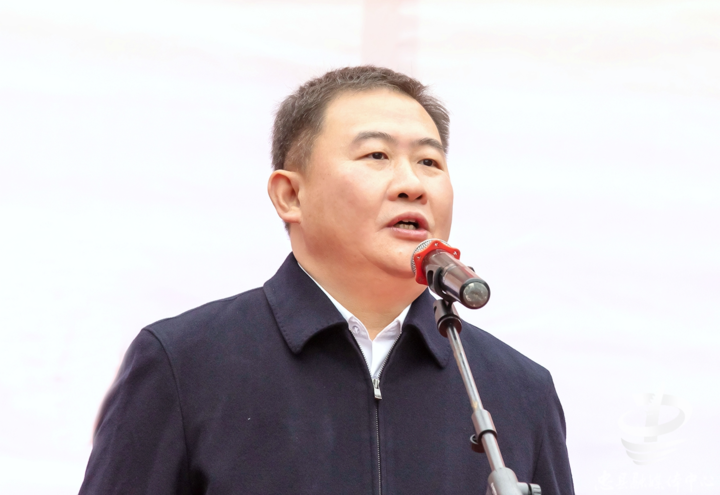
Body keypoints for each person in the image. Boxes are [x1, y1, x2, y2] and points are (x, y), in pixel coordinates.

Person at [79, 66, 574, 494]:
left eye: (429, 162)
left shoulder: (515, 390)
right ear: (290, 196)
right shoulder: (184, 364)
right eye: (376, 156)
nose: (412, 184)